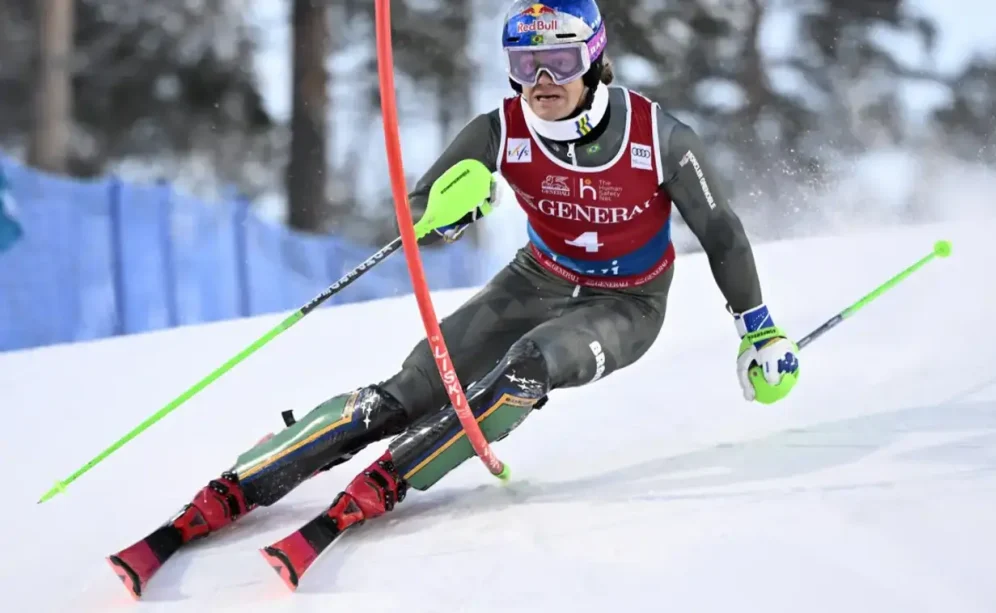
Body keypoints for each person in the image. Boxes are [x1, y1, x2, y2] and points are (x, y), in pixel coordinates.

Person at [110, 0, 799, 585]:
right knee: (407, 391)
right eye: (525, 63)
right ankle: (241, 481)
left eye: (559, 61)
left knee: (526, 367)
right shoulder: (501, 128)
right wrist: (447, 214)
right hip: (539, 277)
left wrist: (759, 327)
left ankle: (390, 479)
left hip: (627, 302)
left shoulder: (658, 136)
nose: (542, 81)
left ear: (593, 59)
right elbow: (420, 208)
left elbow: (723, 232)